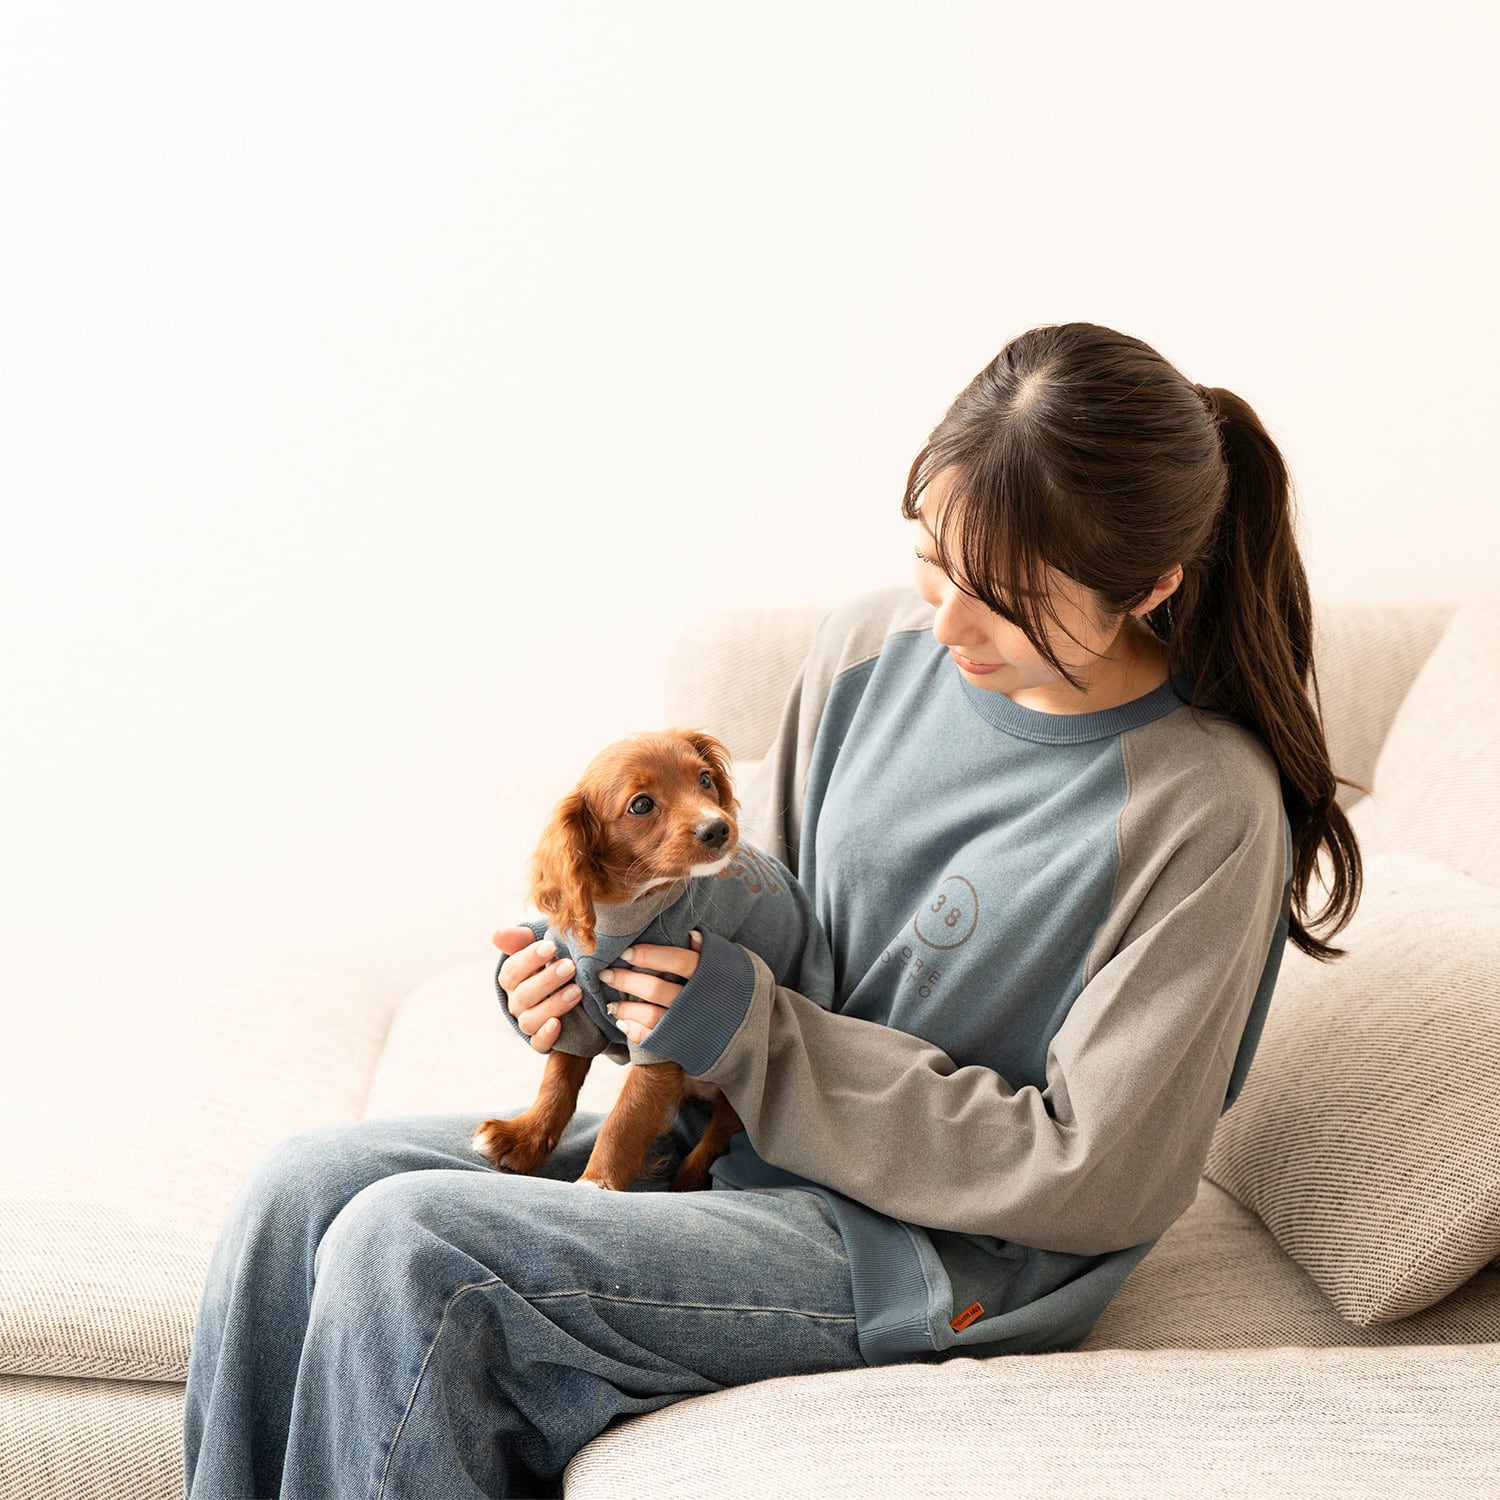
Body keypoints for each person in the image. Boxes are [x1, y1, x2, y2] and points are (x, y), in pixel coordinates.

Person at [183, 321, 1361, 1498]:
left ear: (1150, 585)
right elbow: (762, 932)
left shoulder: (1206, 807)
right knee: (302, 1191)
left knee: (413, 1250)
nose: (946, 625)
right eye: (935, 560)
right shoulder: (866, 650)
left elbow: (1096, 1172)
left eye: (1006, 599)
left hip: (933, 1249)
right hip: (740, 1150)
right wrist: (595, 982)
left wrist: (751, 1032)